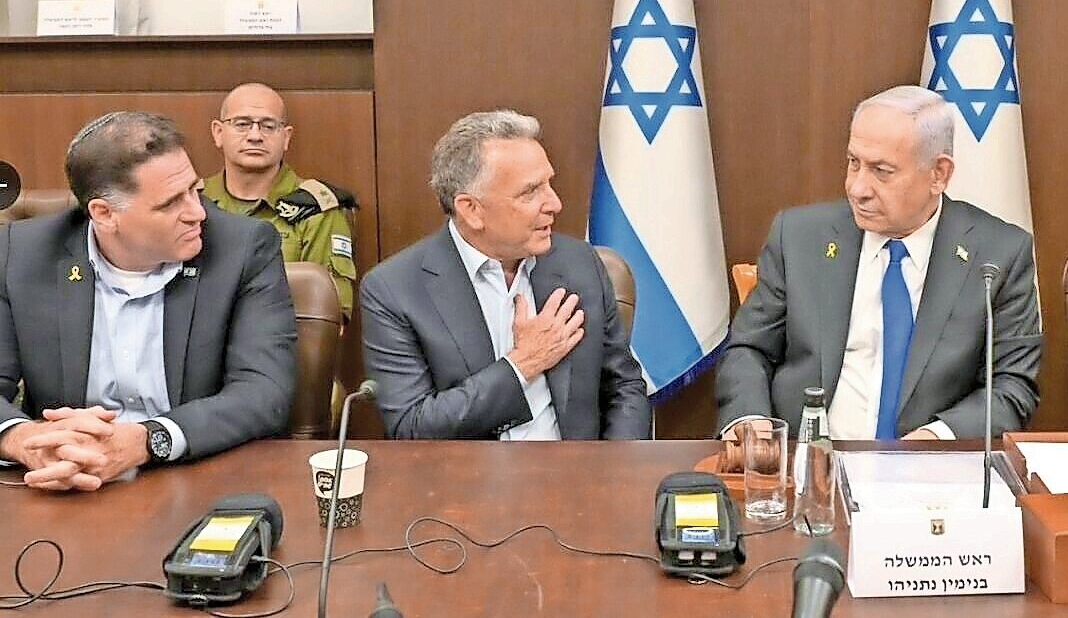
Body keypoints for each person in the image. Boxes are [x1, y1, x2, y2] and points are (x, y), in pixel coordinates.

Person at [717, 86, 1042, 439]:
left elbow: (1012, 387)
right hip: (805, 466)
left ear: (939, 174)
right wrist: (751, 420)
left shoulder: (997, 256)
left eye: (881, 171)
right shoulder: (798, 237)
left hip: (929, 478)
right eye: (854, 162)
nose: (858, 188)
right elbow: (749, 349)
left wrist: (936, 439)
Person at [0, 111, 296, 491]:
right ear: (104, 215)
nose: (197, 213)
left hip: (198, 479)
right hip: (65, 484)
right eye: (171, 203)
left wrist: (147, 440)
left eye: (195, 190)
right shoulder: (21, 254)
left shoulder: (243, 248)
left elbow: (263, 392)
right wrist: (24, 439)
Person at [360, 110, 649, 440]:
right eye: (530, 192)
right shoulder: (395, 290)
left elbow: (624, 388)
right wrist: (522, 364)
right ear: (472, 210)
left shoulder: (579, 263)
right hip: (466, 483)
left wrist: (614, 476)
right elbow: (411, 427)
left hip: (577, 477)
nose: (554, 203)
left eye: (549, 184)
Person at [203, 82, 357, 320]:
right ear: (218, 132)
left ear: (286, 137)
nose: (255, 136)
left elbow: (329, 316)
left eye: (268, 126)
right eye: (242, 124)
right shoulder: (192, 204)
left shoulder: (315, 211)